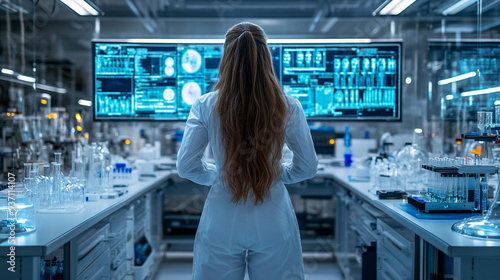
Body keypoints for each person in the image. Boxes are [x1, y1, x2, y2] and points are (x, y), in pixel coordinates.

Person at [177, 22, 318, 280]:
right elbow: (307, 167)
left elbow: (186, 166)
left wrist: (221, 175)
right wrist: (276, 174)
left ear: (226, 57)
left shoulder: (204, 104)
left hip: (221, 217)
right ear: (267, 57)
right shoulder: (289, 106)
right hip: (273, 218)